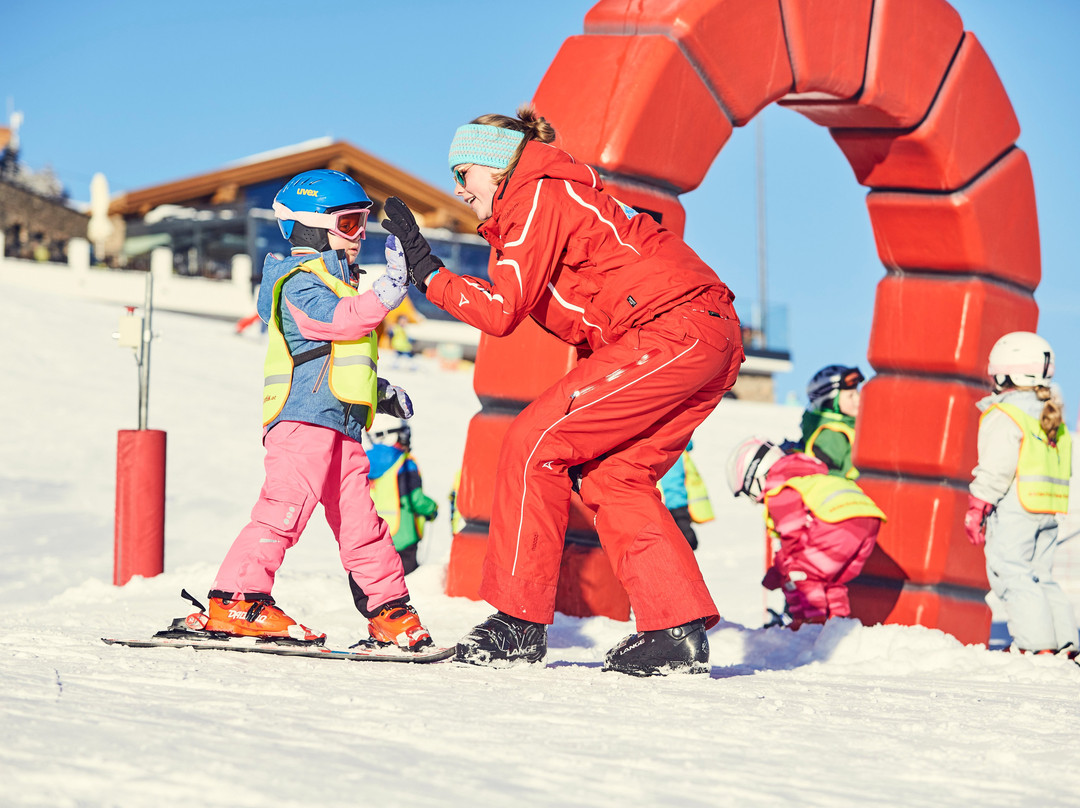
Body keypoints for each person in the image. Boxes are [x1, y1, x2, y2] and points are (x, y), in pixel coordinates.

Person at [381, 105, 744, 676]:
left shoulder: (537, 194)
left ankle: (517, 625)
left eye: (464, 172)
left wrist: (427, 272)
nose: (459, 187)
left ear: (496, 166)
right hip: (700, 334)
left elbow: (501, 311)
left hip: (673, 329)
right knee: (612, 476)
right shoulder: (550, 200)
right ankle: (674, 629)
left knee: (532, 441)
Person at [190, 169, 436, 652]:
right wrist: (389, 288)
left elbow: (335, 358)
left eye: (363, 223)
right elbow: (338, 324)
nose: (360, 235)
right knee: (285, 509)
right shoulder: (298, 281)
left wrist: (379, 392)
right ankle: (237, 600)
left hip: (342, 426)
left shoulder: (341, 285)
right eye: (348, 224)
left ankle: (390, 612)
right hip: (301, 423)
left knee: (362, 522)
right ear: (310, 226)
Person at [965, 332, 1077, 659]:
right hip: (1046, 509)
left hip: (1015, 508)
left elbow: (996, 467)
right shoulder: (1049, 413)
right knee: (1041, 576)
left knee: (1011, 573)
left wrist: (978, 507)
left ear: (1005, 373)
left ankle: (1035, 645)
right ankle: (1065, 644)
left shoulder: (1006, 414)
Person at [727, 437, 884, 628]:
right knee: (828, 581)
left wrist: (779, 572)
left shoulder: (780, 488)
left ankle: (811, 626)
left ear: (755, 475)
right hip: (868, 517)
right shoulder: (804, 475)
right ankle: (838, 627)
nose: (754, 501)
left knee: (798, 574)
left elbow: (791, 537)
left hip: (837, 521)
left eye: (748, 493)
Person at [367, 423, 439, 575]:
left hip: (375, 533)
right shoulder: (405, 463)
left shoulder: (363, 461)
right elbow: (416, 499)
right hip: (404, 534)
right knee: (408, 582)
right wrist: (432, 508)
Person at [793, 364, 865, 479]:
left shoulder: (849, 426)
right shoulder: (831, 434)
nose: (858, 398)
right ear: (830, 401)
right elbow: (829, 478)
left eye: (857, 392)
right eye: (850, 396)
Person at [657, 440, 714, 550]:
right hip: (675, 505)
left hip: (674, 506)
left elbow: (673, 482)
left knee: (686, 541)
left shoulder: (672, 452)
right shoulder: (679, 452)